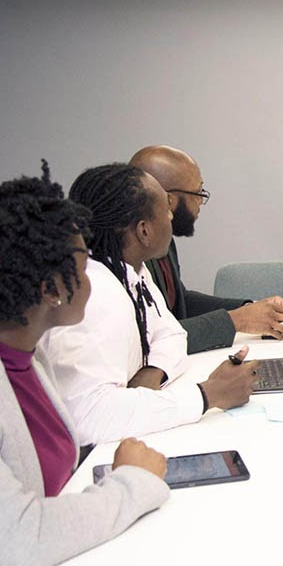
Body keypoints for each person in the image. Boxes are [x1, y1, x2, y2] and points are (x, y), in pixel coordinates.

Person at [0, 162, 170, 565]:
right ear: (51, 290)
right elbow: (23, 537)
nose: (92, 277)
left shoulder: (29, 357)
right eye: (82, 267)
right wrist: (132, 481)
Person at [39, 163, 259, 446]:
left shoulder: (131, 271)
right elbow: (88, 418)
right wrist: (208, 394)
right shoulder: (96, 295)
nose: (170, 215)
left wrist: (151, 373)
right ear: (143, 231)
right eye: (164, 210)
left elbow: (172, 334)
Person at [130, 145, 283, 354]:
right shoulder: (131, 255)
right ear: (167, 200)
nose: (201, 201)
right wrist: (236, 321)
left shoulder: (163, 240)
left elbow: (179, 302)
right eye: (197, 192)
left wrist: (246, 308)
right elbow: (152, 339)